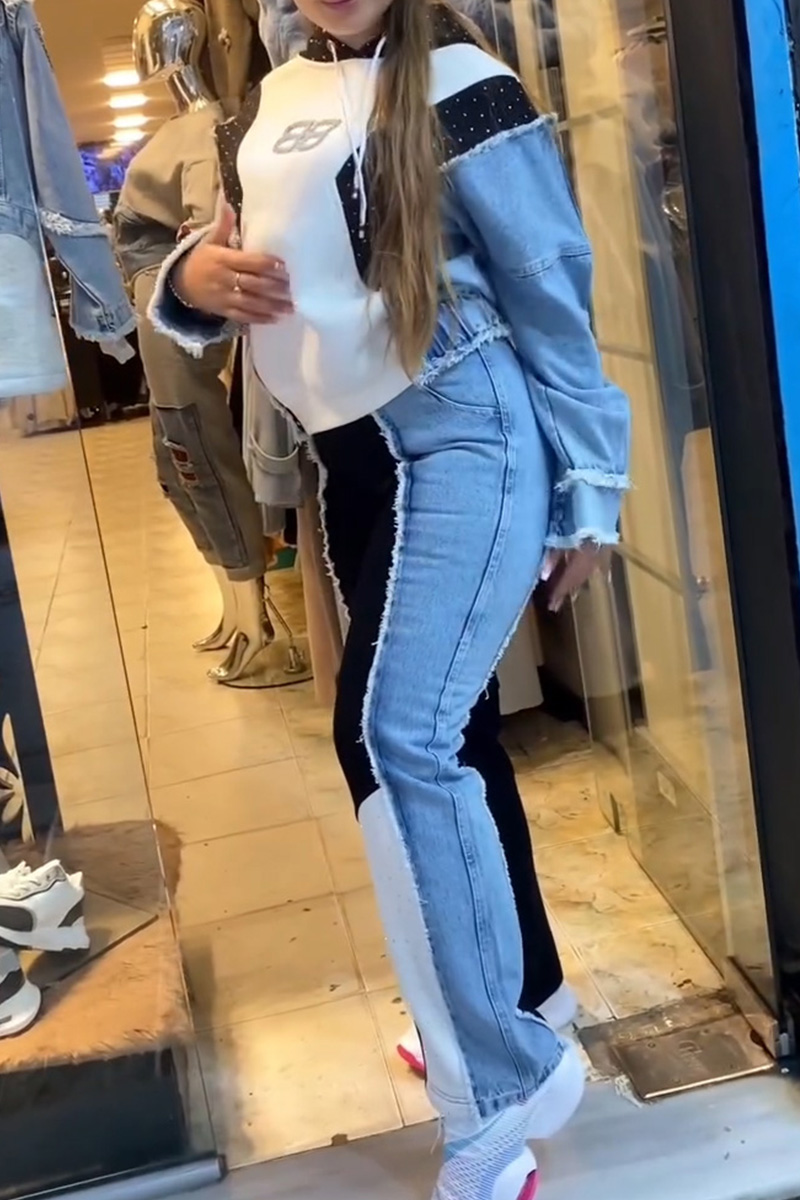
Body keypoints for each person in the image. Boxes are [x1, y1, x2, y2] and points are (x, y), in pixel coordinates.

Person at [149, 1, 631, 1196]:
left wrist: (590, 488)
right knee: (434, 738)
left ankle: (493, 1090)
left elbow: (549, 287)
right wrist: (193, 277)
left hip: (459, 431)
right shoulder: (276, 94)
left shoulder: (462, 83)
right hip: (351, 458)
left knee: (395, 737)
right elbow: (249, 255)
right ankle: (523, 1005)